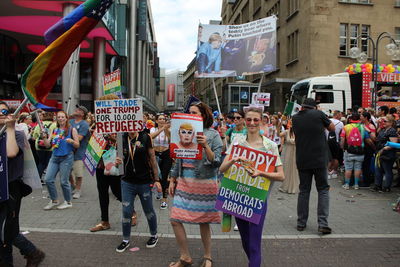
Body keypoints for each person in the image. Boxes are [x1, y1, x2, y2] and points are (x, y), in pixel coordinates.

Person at [219, 107, 284, 267]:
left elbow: (281, 176)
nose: (252, 123)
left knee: (254, 244)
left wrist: (260, 173)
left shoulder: (270, 146)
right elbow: (222, 168)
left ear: (261, 121)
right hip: (237, 197)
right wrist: (234, 159)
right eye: (249, 120)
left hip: (258, 200)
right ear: (244, 121)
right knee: (245, 241)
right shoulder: (237, 142)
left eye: (256, 120)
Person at [168, 102, 223, 267]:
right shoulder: (182, 130)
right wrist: (172, 179)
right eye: (189, 112)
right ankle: (185, 256)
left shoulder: (213, 135)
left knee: (204, 221)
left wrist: (205, 145)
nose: (191, 115)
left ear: (204, 116)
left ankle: (207, 257)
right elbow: (178, 156)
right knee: (175, 219)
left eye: (195, 113)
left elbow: (217, 162)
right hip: (185, 182)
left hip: (204, 183)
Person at [0, 101, 45, 267]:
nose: (2, 114)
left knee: (6, 229)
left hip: (11, 187)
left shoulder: (16, 134)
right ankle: (30, 253)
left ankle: (30, 253)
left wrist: (10, 128)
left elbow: (11, 152)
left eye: (4, 111)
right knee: (4, 229)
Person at [292, 98, 335, 235]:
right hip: (319, 159)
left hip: (302, 159)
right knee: (323, 190)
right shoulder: (318, 114)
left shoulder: (295, 118)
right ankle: (322, 224)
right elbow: (332, 128)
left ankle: (301, 223)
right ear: (314, 107)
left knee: (304, 191)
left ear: (303, 106)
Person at [115, 129, 161, 253]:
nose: (131, 128)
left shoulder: (146, 137)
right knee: (126, 211)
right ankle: (125, 239)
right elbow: (118, 162)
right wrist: (116, 162)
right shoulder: (121, 137)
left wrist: (157, 180)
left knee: (148, 210)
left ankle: (154, 235)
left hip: (144, 182)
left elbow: (152, 159)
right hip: (127, 182)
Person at [90, 95, 122, 232]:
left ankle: (132, 212)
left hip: (114, 163)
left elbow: (123, 142)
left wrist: (110, 136)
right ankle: (104, 221)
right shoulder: (98, 123)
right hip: (100, 163)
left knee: (117, 191)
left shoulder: (120, 123)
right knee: (102, 193)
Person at [42, 111, 79, 210]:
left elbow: (77, 144)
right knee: (48, 179)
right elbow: (47, 145)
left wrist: (72, 141)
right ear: (56, 119)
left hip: (67, 157)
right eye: (59, 117)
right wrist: (45, 138)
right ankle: (54, 200)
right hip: (54, 157)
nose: (61, 118)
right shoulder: (54, 129)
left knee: (63, 181)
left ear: (66, 118)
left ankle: (68, 201)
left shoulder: (72, 129)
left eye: (63, 117)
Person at [340, 113, 374, 190]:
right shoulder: (363, 127)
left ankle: (347, 184)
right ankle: (356, 185)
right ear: (359, 119)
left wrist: (342, 147)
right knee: (358, 168)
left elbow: (342, 140)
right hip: (360, 151)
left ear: (350, 119)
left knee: (348, 168)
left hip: (349, 150)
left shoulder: (346, 127)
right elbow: (367, 139)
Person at [150, 113, 173, 209]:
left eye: (164, 119)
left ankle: (164, 199)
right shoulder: (153, 129)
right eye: (160, 119)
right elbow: (151, 137)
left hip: (166, 154)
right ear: (156, 121)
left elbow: (170, 140)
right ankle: (159, 191)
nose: (162, 120)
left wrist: (166, 129)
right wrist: (162, 129)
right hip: (155, 154)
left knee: (164, 176)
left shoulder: (169, 129)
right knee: (156, 176)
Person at [371, 115, 399, 192]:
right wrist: (380, 123)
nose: (383, 122)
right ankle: (377, 185)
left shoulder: (392, 131)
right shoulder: (383, 129)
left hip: (387, 153)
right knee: (378, 170)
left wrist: (383, 149)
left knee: (387, 170)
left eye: (385, 121)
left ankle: (386, 187)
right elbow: (377, 133)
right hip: (379, 152)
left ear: (390, 122)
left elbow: (393, 143)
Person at [69, 105, 90, 199]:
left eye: (79, 109)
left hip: (79, 152)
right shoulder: (70, 121)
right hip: (69, 151)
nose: (76, 110)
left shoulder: (84, 124)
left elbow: (80, 138)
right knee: (67, 172)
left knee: (78, 173)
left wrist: (68, 138)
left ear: (82, 114)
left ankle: (78, 190)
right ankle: (73, 185)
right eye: (76, 108)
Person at [31, 112, 56, 181]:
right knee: (48, 163)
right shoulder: (54, 125)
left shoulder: (39, 124)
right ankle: (43, 178)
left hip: (39, 146)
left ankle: (38, 178)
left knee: (41, 162)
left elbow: (34, 136)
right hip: (50, 147)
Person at [279, 125, 299, 194]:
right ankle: (285, 186)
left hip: (295, 152)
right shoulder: (287, 132)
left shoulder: (298, 132)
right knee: (287, 168)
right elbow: (279, 134)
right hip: (288, 152)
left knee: (294, 169)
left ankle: (293, 187)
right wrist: (278, 126)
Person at [360, 111, 376, 187]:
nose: (360, 117)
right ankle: (364, 179)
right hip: (361, 147)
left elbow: (374, 139)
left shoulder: (371, 126)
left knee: (367, 165)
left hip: (368, 148)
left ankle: (367, 182)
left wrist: (367, 130)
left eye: (361, 116)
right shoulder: (361, 124)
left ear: (366, 117)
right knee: (363, 165)